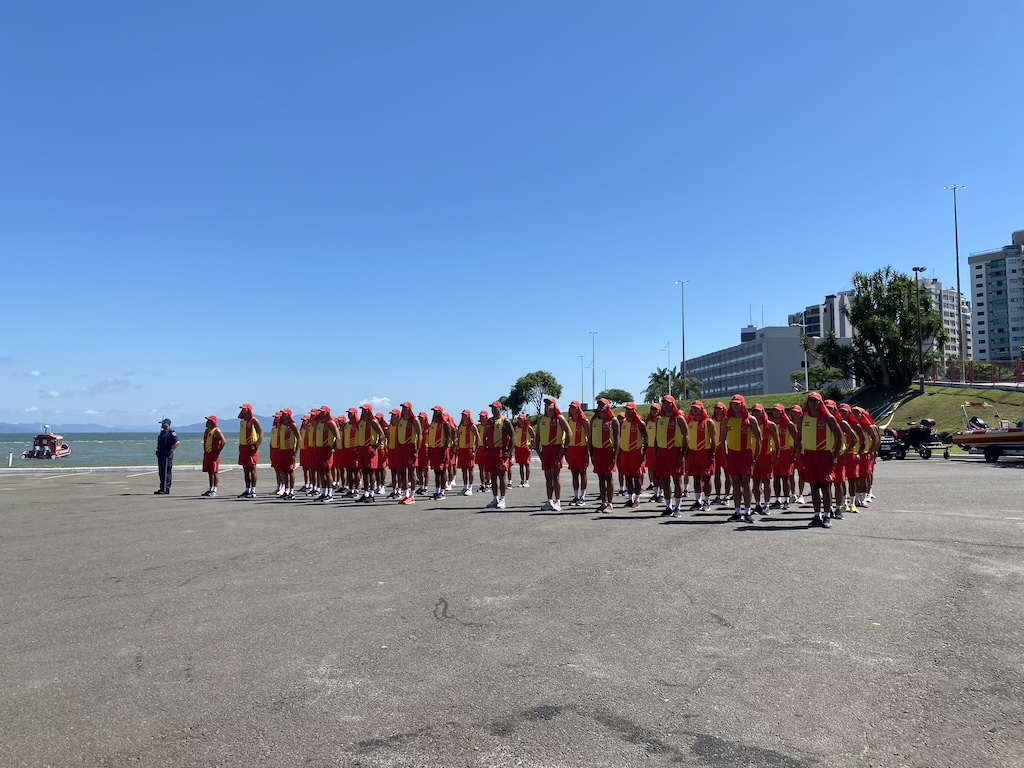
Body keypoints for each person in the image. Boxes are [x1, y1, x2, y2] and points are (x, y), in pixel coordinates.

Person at [795, 392, 844, 529]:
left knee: (825, 486)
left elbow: (840, 438)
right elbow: (798, 439)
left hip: (824, 454)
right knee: (813, 486)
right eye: (810, 400)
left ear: (820, 402)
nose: (812, 403)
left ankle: (827, 515)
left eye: (815, 401)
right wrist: (801, 455)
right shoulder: (803, 418)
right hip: (810, 455)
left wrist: (834, 457)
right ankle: (817, 515)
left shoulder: (828, 418)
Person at [720, 394, 762, 524]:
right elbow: (723, 440)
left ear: (742, 404)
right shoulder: (727, 420)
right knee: (735, 483)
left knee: (746, 483)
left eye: (738, 404)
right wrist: (726, 456)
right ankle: (737, 511)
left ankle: (748, 512)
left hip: (746, 454)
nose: (735, 406)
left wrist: (756, 455)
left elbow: (759, 438)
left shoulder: (751, 419)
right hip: (733, 454)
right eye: (733, 404)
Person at [653, 395, 688, 517]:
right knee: (664, 480)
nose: (666, 406)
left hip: (675, 451)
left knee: (678, 480)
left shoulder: (679, 418)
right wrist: (657, 453)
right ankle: (668, 506)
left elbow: (686, 436)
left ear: (673, 404)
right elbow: (657, 438)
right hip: (662, 452)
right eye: (664, 403)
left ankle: (678, 507)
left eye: (668, 403)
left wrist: (682, 454)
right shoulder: (659, 419)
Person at [534, 396, 571, 510]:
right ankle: (549, 500)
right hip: (545, 449)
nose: (547, 406)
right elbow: (538, 435)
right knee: (548, 476)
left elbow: (569, 432)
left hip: (556, 448)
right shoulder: (541, 419)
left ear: (555, 405)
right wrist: (538, 449)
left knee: (555, 476)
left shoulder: (559, 418)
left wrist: (565, 448)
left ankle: (558, 501)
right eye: (546, 404)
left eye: (550, 403)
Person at [685, 401, 717, 512]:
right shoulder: (690, 422)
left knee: (706, 478)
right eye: (693, 408)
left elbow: (714, 440)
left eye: (697, 408)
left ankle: (707, 500)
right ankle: (698, 501)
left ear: (702, 409)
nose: (695, 410)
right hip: (693, 452)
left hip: (705, 452)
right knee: (696, 478)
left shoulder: (708, 422)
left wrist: (712, 454)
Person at [589, 398, 620, 513]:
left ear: (608, 406)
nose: (600, 406)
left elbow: (617, 439)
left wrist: (615, 455)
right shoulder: (594, 420)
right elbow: (591, 437)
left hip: (608, 451)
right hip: (597, 452)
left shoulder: (613, 420)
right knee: (600, 477)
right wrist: (591, 452)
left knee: (608, 477)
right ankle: (603, 502)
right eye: (599, 404)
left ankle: (610, 503)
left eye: (603, 404)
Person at [483, 400, 515, 509]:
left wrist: (508, 451)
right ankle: (495, 498)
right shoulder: (488, 422)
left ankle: (502, 498)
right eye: (492, 407)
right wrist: (486, 448)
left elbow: (512, 436)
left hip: (501, 451)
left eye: (495, 407)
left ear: (500, 409)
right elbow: (485, 436)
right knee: (493, 476)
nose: (493, 409)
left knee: (502, 475)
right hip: (491, 451)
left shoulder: (505, 421)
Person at [749, 404, 779, 515]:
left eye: (758, 411)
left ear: (763, 412)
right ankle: (757, 504)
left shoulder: (770, 425)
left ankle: (766, 505)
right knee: (755, 481)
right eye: (754, 411)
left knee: (766, 481)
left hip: (766, 456)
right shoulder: (749, 424)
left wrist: (777, 456)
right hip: (752, 456)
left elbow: (777, 441)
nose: (756, 414)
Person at [617, 402, 648, 509]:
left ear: (634, 410)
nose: (627, 411)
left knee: (637, 477)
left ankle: (637, 499)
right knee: (628, 477)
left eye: (630, 409)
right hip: (625, 453)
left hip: (636, 452)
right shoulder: (623, 422)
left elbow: (646, 439)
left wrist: (644, 454)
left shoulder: (640, 423)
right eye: (626, 409)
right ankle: (630, 498)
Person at [769, 404, 798, 510]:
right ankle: (778, 499)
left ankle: (786, 500)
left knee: (785, 477)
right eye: (774, 411)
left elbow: (796, 439)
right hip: (773, 452)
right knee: (776, 477)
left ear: (782, 412)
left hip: (785, 452)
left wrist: (794, 454)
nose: (776, 413)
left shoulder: (788, 424)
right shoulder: (770, 423)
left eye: (778, 411)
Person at [355, 403, 386, 502]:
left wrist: (375, 447)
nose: (363, 411)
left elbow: (382, 435)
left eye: (365, 410)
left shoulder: (373, 421)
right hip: (361, 448)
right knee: (364, 471)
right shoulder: (361, 422)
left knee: (371, 471)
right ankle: (366, 493)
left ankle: (372, 494)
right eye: (362, 410)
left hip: (370, 448)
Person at [395, 402, 423, 505]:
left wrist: (417, 450)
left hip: (410, 446)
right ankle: (406, 494)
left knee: (411, 471)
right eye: (402, 407)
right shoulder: (400, 420)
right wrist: (397, 446)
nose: (403, 409)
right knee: (402, 472)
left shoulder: (414, 420)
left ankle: (412, 495)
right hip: (401, 448)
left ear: (409, 408)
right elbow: (397, 434)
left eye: (405, 408)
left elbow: (420, 435)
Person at [427, 406, 454, 499]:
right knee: (436, 472)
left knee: (442, 471)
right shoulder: (433, 423)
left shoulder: (445, 423)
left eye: (436, 411)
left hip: (441, 449)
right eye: (434, 411)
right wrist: (429, 450)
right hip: (433, 449)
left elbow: (449, 437)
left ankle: (442, 491)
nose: (434, 413)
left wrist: (444, 449)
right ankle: (437, 490)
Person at [566, 401, 590, 506]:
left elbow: (589, 437)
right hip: (571, 449)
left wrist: (588, 452)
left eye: (574, 407)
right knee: (574, 473)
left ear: (578, 408)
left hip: (582, 448)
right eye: (571, 407)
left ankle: (583, 497)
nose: (572, 409)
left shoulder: (584, 421)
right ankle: (575, 496)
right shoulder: (569, 421)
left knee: (582, 472)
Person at [237, 403, 264, 498]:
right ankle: (247, 489)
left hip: (251, 446)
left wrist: (256, 446)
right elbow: (239, 416)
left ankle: (253, 490)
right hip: (243, 447)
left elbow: (261, 433)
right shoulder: (243, 421)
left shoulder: (254, 420)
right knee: (245, 469)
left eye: (244, 409)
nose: (242, 410)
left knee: (252, 468)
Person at [276, 409, 299, 499]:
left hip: (290, 450)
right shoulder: (282, 425)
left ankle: (291, 492)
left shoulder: (292, 425)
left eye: (285, 414)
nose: (283, 415)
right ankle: (286, 490)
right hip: (282, 450)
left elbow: (298, 438)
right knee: (284, 471)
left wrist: (295, 452)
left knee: (290, 471)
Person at [710, 402, 731, 505]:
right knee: (716, 473)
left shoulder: (727, 420)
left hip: (725, 447)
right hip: (715, 448)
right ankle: (717, 495)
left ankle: (727, 496)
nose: (718, 410)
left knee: (728, 473)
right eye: (716, 408)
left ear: (724, 409)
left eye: (720, 408)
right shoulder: (712, 420)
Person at [201, 415, 226, 497]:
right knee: (209, 472)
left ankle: (214, 489)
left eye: (209, 421)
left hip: (213, 454)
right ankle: (210, 488)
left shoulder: (216, 431)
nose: (207, 422)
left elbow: (223, 441)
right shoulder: (207, 431)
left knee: (214, 472)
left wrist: (218, 451)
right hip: (207, 453)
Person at [456, 409, 479, 496]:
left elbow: (477, 438)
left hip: (469, 449)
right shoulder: (461, 426)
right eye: (463, 415)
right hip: (462, 450)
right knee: (463, 469)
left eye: (465, 415)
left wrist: (475, 450)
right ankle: (465, 486)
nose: (464, 416)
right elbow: (458, 437)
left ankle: (470, 487)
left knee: (470, 469)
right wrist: (458, 447)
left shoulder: (472, 426)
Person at [154, 418, 180, 494]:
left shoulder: (171, 432)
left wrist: (171, 450)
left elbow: (177, 442)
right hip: (161, 455)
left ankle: (166, 488)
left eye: (163, 423)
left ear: (168, 424)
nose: (162, 425)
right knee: (161, 472)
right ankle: (162, 487)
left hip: (166, 455)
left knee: (166, 472)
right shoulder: (162, 433)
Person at [644, 403, 661, 500]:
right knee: (652, 471)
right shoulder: (648, 421)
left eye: (656, 410)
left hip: (659, 448)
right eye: (652, 410)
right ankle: (655, 493)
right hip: (650, 448)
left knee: (661, 472)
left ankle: (662, 493)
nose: (654, 411)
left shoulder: (662, 420)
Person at [513, 414, 535, 488]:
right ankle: (522, 480)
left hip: (526, 448)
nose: (520, 420)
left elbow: (533, 436)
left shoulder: (528, 428)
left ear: (524, 419)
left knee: (527, 464)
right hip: (518, 448)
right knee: (521, 465)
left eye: (521, 419)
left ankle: (527, 480)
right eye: (519, 419)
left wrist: (532, 445)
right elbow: (514, 436)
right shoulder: (517, 428)